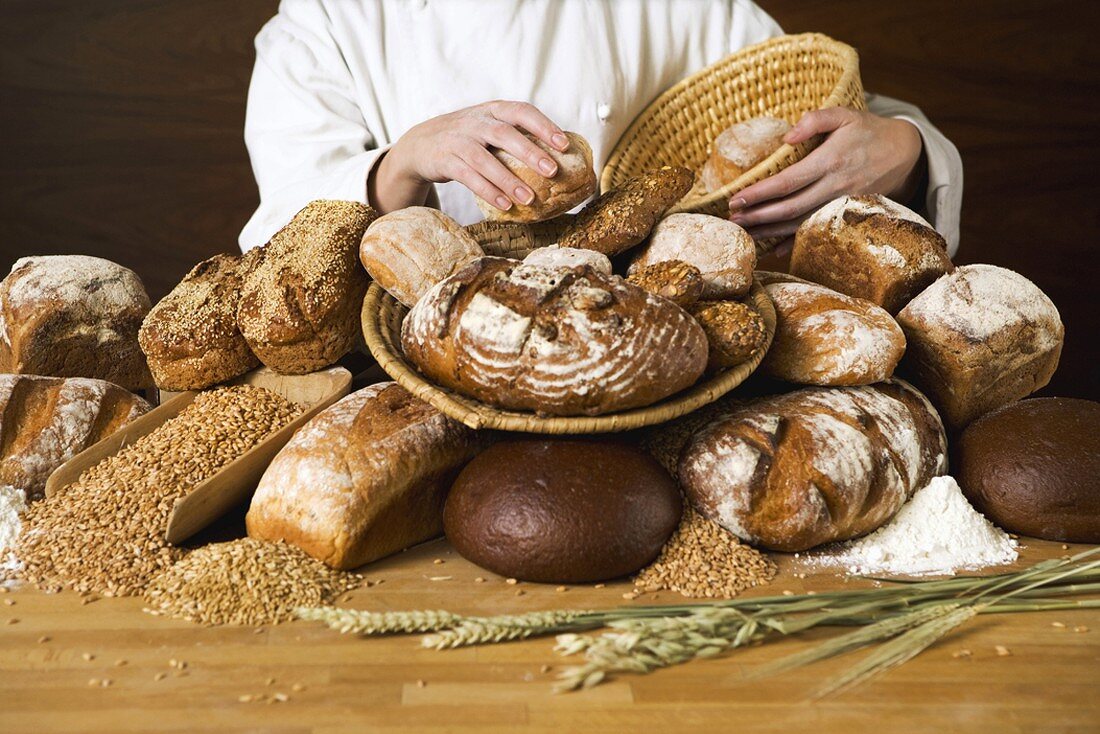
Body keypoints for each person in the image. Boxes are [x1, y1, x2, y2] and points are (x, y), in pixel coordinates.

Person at [239, 0, 962, 256]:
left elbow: (797, 109)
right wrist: (396, 167)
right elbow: (278, 256)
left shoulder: (676, 6)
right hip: (413, 384)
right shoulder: (320, 26)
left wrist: (908, 150)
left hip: (654, 364)